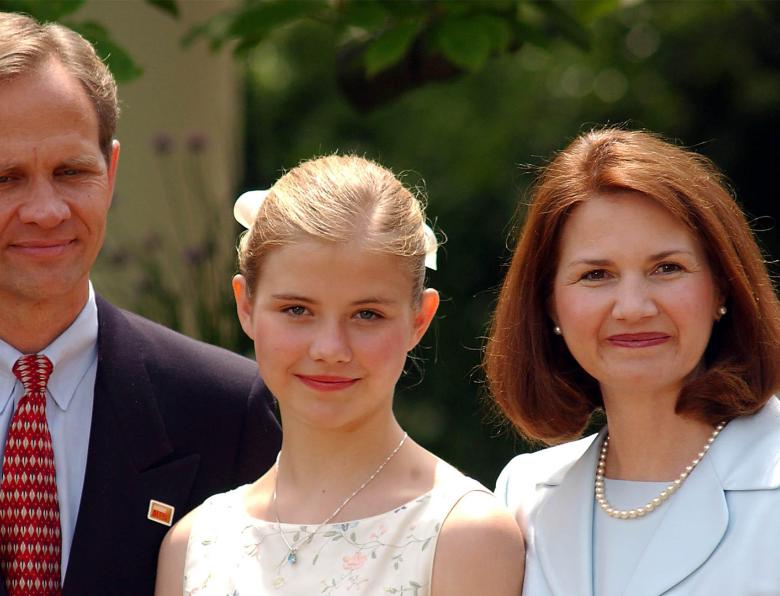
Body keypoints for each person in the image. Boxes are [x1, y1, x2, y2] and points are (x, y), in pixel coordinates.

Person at [0, 12, 281, 595]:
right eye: (6, 178)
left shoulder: (229, 410)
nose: (46, 210)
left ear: (112, 170)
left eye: (71, 171)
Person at [155, 154, 525, 595]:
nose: (330, 349)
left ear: (419, 320)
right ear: (246, 306)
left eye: (366, 314)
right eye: (297, 310)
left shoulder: (464, 536)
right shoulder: (194, 545)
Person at [486, 128, 780, 595]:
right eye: (596, 274)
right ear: (549, 306)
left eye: (667, 268)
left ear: (723, 287)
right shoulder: (520, 496)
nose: (633, 307)